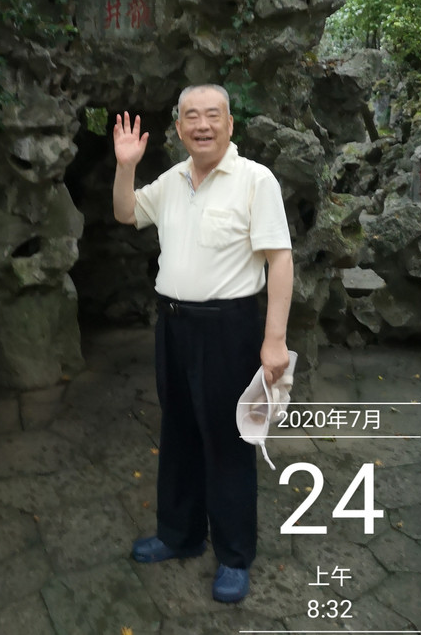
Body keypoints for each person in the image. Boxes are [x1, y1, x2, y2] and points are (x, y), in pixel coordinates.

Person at [112, 84, 293, 603]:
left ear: (230, 124)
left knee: (228, 441)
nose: (202, 125)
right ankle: (180, 534)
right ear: (179, 127)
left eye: (213, 115)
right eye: (191, 116)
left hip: (228, 328)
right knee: (179, 432)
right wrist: (126, 166)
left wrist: (274, 340)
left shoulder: (256, 180)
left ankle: (234, 556)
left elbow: (280, 259)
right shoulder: (172, 181)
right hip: (173, 325)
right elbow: (126, 213)